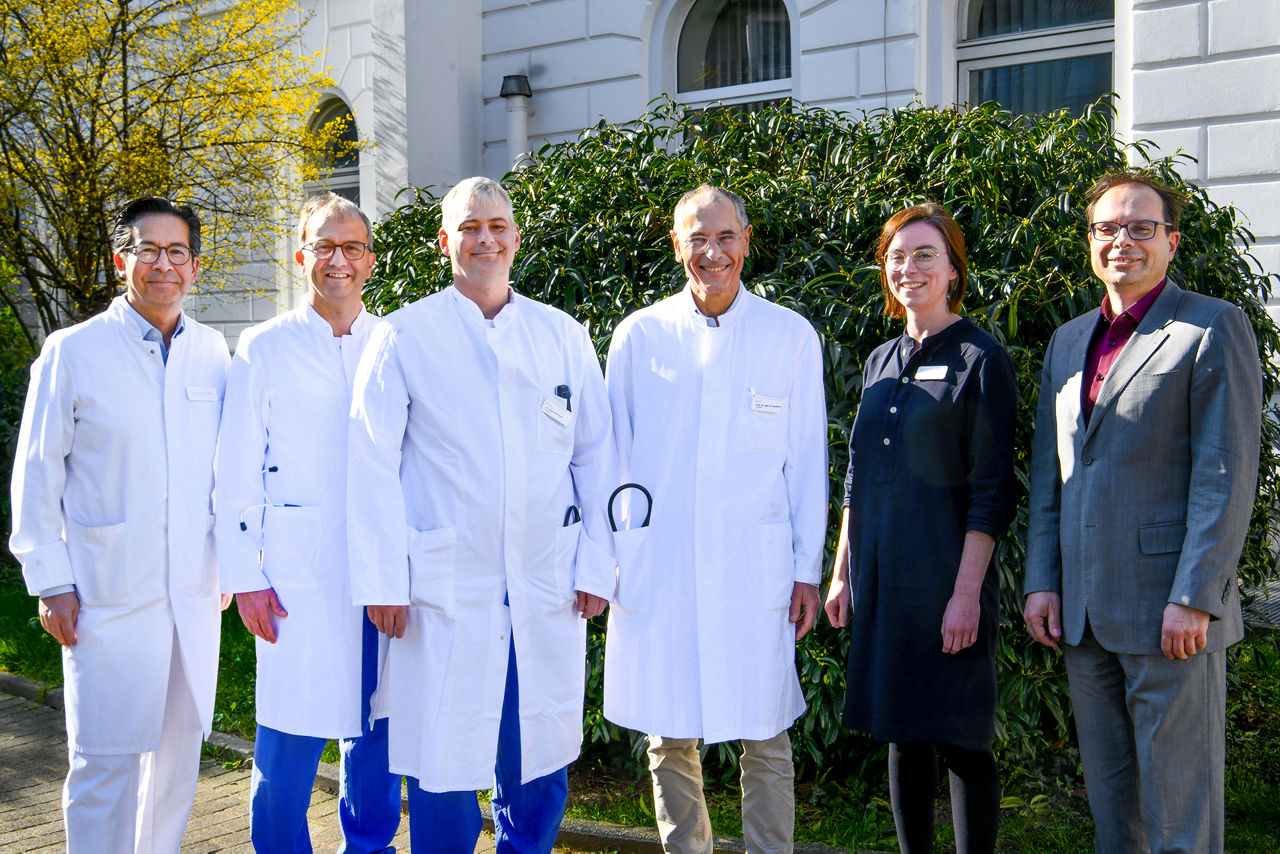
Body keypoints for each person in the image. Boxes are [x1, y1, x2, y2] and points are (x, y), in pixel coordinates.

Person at [347, 176, 616, 853]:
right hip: (443, 589)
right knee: (442, 760)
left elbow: (598, 456)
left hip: (544, 585)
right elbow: (370, 465)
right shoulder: (404, 336)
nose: (485, 238)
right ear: (446, 242)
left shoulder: (562, 336)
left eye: (497, 225)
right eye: (469, 227)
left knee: (537, 762)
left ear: (516, 238)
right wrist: (382, 580)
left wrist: (595, 564)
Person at [1023, 171, 1262, 853]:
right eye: (1107, 227)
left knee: (1179, 817)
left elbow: (1225, 475)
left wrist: (1196, 595)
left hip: (1171, 616)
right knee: (1113, 816)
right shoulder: (1069, 342)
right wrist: (1043, 579)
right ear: (1091, 240)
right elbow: (1052, 476)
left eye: (1140, 226)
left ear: (1171, 241)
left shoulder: (1210, 327)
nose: (1122, 240)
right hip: (1084, 614)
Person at [603, 184, 828, 853]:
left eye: (725, 237)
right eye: (696, 238)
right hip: (661, 565)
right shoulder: (638, 336)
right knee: (669, 732)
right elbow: (612, 461)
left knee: (766, 728)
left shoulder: (788, 335)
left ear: (746, 242)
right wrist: (616, 562)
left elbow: (806, 463)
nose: (712, 252)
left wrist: (806, 570)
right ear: (677, 246)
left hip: (754, 568)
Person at [9, 197, 230, 852]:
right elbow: (36, 477)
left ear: (195, 265)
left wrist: (232, 567)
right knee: (104, 764)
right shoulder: (72, 352)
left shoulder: (214, 353)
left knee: (176, 767)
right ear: (120, 261)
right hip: (105, 596)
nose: (163, 264)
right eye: (147, 251)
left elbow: (231, 473)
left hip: (192, 596)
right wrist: (50, 582)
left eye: (177, 252)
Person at [824, 203, 1016, 853]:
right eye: (898, 256)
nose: (909, 267)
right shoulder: (879, 360)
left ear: (954, 269)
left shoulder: (981, 358)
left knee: (962, 740)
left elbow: (992, 493)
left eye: (925, 254)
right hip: (885, 581)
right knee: (904, 735)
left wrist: (965, 595)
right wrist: (842, 573)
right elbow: (857, 476)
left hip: (948, 579)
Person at [216, 193, 401, 852]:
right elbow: (234, 474)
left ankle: (370, 844)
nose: (339, 260)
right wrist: (245, 580)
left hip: (380, 573)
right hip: (295, 576)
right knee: (288, 743)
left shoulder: (394, 342)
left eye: (353, 247)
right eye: (325, 246)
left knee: (376, 733)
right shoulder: (264, 346)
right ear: (301, 257)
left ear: (371, 261)